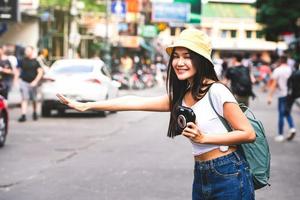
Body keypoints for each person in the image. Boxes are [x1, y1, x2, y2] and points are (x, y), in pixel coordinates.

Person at [57, 28, 256, 200]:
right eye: (176, 56)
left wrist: (204, 138)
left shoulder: (217, 91)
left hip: (230, 172)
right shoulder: (182, 96)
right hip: (202, 172)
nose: (179, 62)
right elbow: (134, 101)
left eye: (187, 56)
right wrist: (88, 106)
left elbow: (248, 133)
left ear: (201, 60)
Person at [267, 55, 296, 142]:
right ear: (286, 61)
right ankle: (292, 128)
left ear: (280, 61)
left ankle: (280, 134)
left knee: (281, 114)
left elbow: (274, 84)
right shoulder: (291, 70)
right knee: (287, 112)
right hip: (290, 95)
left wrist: (270, 96)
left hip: (282, 95)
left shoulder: (278, 70)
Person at [18, 46, 43, 122]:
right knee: (24, 98)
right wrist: (17, 80)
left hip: (33, 83)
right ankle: (23, 115)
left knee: (34, 99)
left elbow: (40, 72)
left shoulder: (36, 61)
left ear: (32, 51)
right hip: (24, 82)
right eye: (26, 50)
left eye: (28, 50)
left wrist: (35, 81)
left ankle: (35, 112)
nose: (26, 52)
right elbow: (18, 70)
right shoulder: (22, 60)